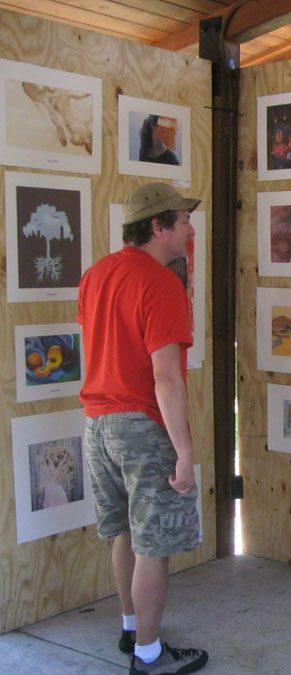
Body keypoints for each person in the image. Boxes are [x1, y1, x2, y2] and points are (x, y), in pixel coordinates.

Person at [77, 182, 208, 675]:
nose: (188, 229)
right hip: (141, 423)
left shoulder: (95, 275)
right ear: (158, 226)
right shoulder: (160, 283)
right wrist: (184, 450)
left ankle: (131, 629)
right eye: (182, 220)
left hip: (97, 423)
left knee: (124, 533)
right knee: (154, 543)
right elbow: (166, 376)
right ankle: (149, 657)